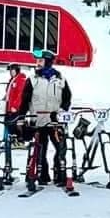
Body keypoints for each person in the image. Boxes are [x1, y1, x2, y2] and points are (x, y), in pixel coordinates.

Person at [20, 49, 75, 194]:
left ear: (48, 62)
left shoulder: (60, 79)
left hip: (55, 121)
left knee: (60, 148)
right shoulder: (32, 79)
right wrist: (21, 116)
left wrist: (63, 110)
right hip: (38, 120)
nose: (37, 64)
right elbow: (25, 100)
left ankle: (59, 174)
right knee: (40, 149)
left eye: (40, 61)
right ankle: (42, 175)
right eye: (37, 61)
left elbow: (67, 97)